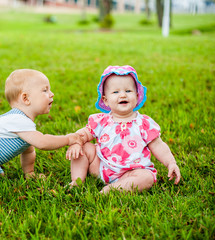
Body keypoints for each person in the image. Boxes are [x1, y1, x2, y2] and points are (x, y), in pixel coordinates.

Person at [0, 69, 83, 202]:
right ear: (26, 98)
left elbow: (28, 150)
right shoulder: (18, 120)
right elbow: (42, 142)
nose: (51, 94)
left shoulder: (25, 124)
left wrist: (29, 172)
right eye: (45, 90)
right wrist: (68, 138)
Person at [66, 65, 181, 194]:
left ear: (137, 96)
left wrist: (171, 163)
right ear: (106, 100)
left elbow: (158, 145)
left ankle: (114, 189)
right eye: (115, 92)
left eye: (128, 91)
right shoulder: (101, 121)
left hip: (131, 172)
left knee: (147, 177)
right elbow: (84, 133)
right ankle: (77, 180)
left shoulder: (143, 123)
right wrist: (76, 142)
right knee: (83, 147)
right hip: (101, 166)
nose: (122, 95)